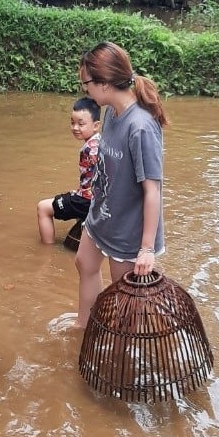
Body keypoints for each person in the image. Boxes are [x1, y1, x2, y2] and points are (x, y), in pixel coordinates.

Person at [75, 42, 169, 328]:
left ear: (104, 84)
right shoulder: (110, 114)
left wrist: (146, 249)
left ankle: (124, 349)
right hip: (102, 215)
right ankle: (85, 327)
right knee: (85, 263)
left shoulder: (140, 126)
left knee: (124, 298)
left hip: (129, 231)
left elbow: (153, 190)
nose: (85, 90)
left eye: (86, 83)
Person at [37, 97, 101, 244]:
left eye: (81, 124)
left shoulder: (91, 149)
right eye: (72, 122)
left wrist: (82, 194)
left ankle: (46, 254)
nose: (75, 127)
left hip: (88, 201)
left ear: (96, 125)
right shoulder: (99, 142)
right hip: (97, 199)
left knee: (43, 208)